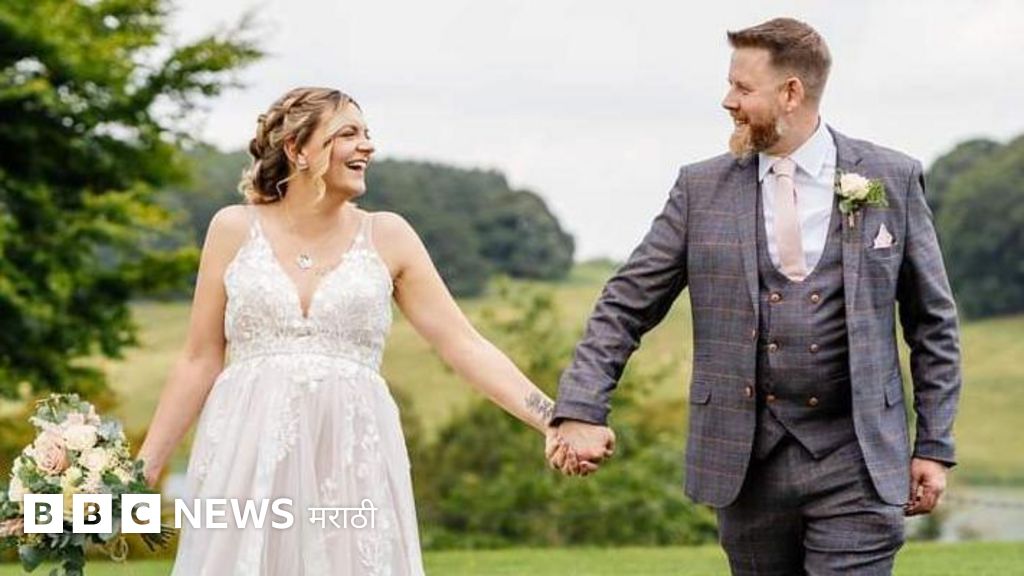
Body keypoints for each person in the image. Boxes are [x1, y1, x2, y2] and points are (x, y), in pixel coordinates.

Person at [548, 18, 962, 575]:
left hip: (858, 462)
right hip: (745, 466)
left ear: (791, 92)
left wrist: (934, 444)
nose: (728, 101)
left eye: (743, 88)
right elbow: (625, 305)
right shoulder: (700, 190)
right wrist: (581, 408)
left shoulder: (891, 178)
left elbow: (932, 324)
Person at [137, 86, 572, 575]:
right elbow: (199, 359)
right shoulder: (233, 229)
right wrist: (144, 469)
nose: (368, 145)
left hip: (349, 453)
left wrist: (554, 419)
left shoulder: (389, 235)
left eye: (366, 133)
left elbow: (464, 345)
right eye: (348, 134)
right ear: (297, 149)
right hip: (248, 449)